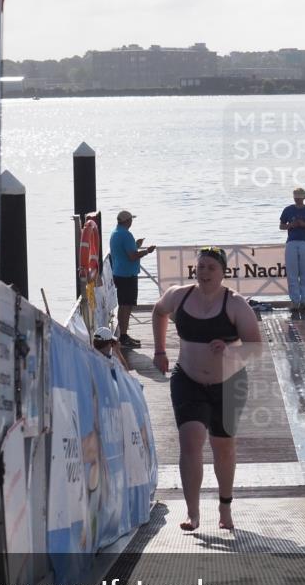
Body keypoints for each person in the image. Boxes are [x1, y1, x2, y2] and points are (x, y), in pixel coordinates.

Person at [151, 247, 262, 532]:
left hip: (229, 382)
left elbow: (255, 346)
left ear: (223, 272)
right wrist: (160, 350)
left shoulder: (235, 304)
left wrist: (229, 350)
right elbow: (158, 311)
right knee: (190, 442)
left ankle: (225, 506)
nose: (205, 273)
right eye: (201, 267)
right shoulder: (179, 295)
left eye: (212, 268)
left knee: (222, 448)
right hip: (187, 379)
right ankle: (193, 512)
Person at [109, 210, 156, 348]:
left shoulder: (115, 233)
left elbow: (126, 252)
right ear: (127, 221)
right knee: (126, 306)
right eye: (131, 219)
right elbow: (132, 256)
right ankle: (123, 337)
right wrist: (147, 251)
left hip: (119, 273)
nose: (132, 222)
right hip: (127, 275)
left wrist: (136, 245)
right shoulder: (126, 235)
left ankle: (122, 335)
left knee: (123, 304)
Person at [279, 187, 305, 311]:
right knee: (292, 273)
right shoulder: (288, 210)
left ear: (304, 198)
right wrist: (291, 225)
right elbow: (281, 226)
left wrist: (304, 224)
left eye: (300, 197)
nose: (297, 199)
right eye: (296, 197)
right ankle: (295, 301)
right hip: (291, 242)